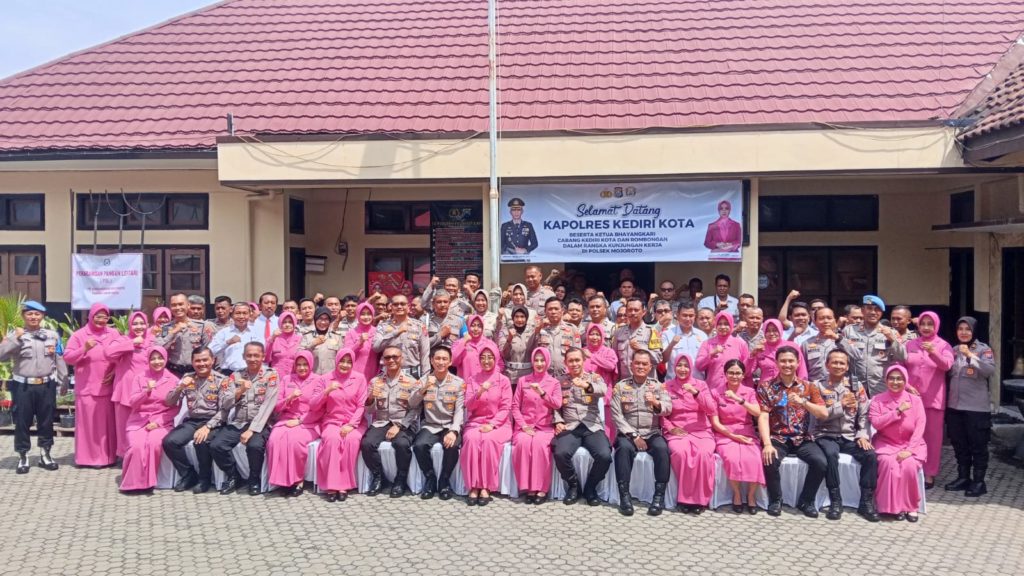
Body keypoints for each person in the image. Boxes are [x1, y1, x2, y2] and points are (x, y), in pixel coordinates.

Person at [756, 346, 829, 518]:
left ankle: (807, 501)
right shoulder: (766, 387)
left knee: (820, 462)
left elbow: (823, 413)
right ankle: (776, 500)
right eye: (783, 361)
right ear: (776, 363)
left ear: (798, 363)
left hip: (802, 438)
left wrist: (803, 402)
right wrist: (767, 444)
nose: (787, 364)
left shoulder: (809, 386)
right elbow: (763, 416)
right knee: (770, 460)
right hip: (777, 437)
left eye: (791, 361)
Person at [810, 349, 880, 522]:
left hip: (849, 435)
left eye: (842, 363)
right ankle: (835, 501)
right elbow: (820, 415)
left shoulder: (856, 386)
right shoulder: (817, 386)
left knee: (870, 456)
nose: (838, 366)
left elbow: (864, 414)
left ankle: (866, 502)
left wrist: (862, 435)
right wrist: (840, 405)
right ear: (827, 365)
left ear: (847, 366)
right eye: (834, 362)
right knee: (831, 455)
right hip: (825, 434)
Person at [0, 300, 67, 473]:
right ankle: (23, 456)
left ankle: (45, 454)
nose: (33, 317)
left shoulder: (52, 335)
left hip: (46, 386)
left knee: (46, 421)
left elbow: (59, 358)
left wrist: (64, 381)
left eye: (37, 314)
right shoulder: (15, 335)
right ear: (23, 316)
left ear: (43, 316)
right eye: (29, 313)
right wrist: (16, 338)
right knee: (22, 421)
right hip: (23, 387)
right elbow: (1, 355)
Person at [211, 342, 279, 496]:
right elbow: (225, 403)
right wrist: (240, 390)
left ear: (263, 356)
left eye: (256, 355)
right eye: (249, 355)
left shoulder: (271, 375)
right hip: (239, 421)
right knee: (217, 445)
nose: (252, 359)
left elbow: (268, 404)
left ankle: (253, 479)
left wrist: (252, 430)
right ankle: (234, 476)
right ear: (243, 356)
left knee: (254, 446)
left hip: (261, 423)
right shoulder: (235, 376)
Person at [610, 350, 671, 516]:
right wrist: (634, 436)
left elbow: (668, 408)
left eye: (644, 364)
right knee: (623, 449)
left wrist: (656, 402)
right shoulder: (621, 386)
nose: (640, 366)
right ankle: (624, 496)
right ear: (631, 365)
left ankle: (659, 497)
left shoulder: (658, 386)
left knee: (662, 449)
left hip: (651, 432)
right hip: (628, 434)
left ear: (650, 367)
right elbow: (616, 415)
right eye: (637, 363)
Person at [161, 347, 230, 493]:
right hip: (193, 421)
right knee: (170, 442)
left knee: (201, 441)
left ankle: (204, 479)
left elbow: (225, 410)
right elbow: (169, 402)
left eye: (205, 360)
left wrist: (208, 427)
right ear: (192, 362)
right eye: (197, 361)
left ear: (213, 360)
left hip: (214, 422)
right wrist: (180, 387)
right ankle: (188, 475)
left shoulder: (221, 380)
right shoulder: (188, 377)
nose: (202, 364)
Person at [552, 348, 612, 506]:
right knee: (560, 453)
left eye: (577, 360)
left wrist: (586, 385)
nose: (574, 364)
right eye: (570, 361)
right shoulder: (559, 381)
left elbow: (603, 390)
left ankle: (590, 487)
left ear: (584, 361)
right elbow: (555, 405)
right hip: (570, 426)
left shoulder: (594, 377)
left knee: (605, 455)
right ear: (565, 363)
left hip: (591, 425)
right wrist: (558, 421)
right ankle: (574, 486)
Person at [63, 303, 120, 467]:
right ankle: (86, 459)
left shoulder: (113, 333)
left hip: (107, 387)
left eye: (105, 317)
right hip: (87, 388)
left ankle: (108, 458)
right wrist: (84, 349)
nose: (102, 320)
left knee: (106, 426)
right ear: (91, 316)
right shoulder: (79, 335)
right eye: (98, 316)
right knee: (88, 425)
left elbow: (123, 355)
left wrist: (115, 371)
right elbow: (68, 357)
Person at [361, 346, 421, 497]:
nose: (391, 360)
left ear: (402, 359)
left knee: (401, 444)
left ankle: (400, 480)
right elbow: (369, 411)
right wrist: (370, 398)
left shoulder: (412, 382)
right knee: (367, 444)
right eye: (387, 357)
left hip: (404, 422)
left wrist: (399, 426)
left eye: (395, 357)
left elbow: (415, 410)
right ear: (383, 360)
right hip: (381, 421)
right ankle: (378, 477)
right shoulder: (375, 381)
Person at [945, 316, 995, 497]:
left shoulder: (983, 349)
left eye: (967, 329)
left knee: (978, 446)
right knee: (960, 445)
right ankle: (963, 477)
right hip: (955, 407)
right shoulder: (953, 350)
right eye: (960, 329)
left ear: (974, 331)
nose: (964, 332)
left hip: (976, 409)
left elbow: (989, 370)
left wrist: (970, 356)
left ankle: (979, 482)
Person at [904, 311, 954, 488]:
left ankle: (929, 474)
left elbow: (947, 365)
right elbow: (900, 367)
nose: (925, 327)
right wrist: (906, 385)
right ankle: (910, 470)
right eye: (923, 324)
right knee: (910, 436)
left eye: (930, 324)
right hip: (910, 399)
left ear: (936, 326)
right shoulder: (910, 344)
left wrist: (934, 352)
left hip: (934, 400)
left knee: (932, 439)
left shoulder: (943, 345)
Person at [869, 365, 926, 522]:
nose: (895, 382)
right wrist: (897, 412)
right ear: (886, 380)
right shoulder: (877, 400)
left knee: (908, 465)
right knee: (888, 464)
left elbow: (920, 426)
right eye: (892, 378)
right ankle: (889, 507)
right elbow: (876, 423)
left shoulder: (915, 401)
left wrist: (910, 450)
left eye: (899, 379)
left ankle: (910, 507)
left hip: (911, 444)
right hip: (886, 443)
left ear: (905, 381)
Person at [662, 355, 717, 514]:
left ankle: (700, 499)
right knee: (681, 453)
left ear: (691, 368)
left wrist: (696, 393)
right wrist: (670, 428)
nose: (682, 369)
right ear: (674, 367)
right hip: (677, 431)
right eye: (679, 365)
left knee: (703, 454)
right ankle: (685, 499)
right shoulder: (666, 386)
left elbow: (711, 409)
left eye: (686, 366)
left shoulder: (701, 385)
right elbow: (661, 413)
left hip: (701, 431)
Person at [119, 347, 179, 492]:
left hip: (162, 421)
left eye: (160, 358)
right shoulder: (140, 378)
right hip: (138, 420)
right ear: (148, 360)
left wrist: (158, 423)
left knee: (154, 443)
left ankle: (149, 482)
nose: (157, 362)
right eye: (153, 359)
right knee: (136, 446)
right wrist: (146, 391)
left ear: (166, 359)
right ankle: (132, 483)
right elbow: (133, 403)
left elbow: (175, 408)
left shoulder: (174, 380)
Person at [312, 348, 368, 502]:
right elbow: (314, 405)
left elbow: (361, 405)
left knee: (352, 440)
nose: (345, 364)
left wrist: (351, 425)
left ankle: (344, 485)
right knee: (332, 440)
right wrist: (326, 391)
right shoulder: (325, 379)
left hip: (355, 422)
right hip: (332, 421)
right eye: (342, 361)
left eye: (349, 362)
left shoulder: (359, 378)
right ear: (336, 361)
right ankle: (331, 485)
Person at [411, 346, 465, 500]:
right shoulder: (423, 380)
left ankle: (444, 481)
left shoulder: (458, 383)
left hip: (449, 425)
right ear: (431, 361)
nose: (441, 362)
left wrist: (454, 431)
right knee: (419, 445)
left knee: (452, 446)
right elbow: (412, 403)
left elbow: (459, 410)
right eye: (438, 359)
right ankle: (430, 479)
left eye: (444, 359)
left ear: (450, 362)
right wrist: (425, 388)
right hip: (430, 425)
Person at [462, 343, 512, 506]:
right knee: (471, 440)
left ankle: (486, 486)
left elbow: (506, 407)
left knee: (489, 440)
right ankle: (473, 485)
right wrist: (479, 392)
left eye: (490, 357)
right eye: (483, 358)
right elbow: (469, 406)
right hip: (476, 422)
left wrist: (492, 424)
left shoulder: (503, 380)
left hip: (499, 424)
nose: (486, 361)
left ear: (496, 359)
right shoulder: (473, 379)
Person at [265, 350, 320, 496]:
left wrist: (300, 421)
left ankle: (297, 480)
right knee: (274, 440)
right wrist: (289, 398)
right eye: (298, 365)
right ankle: (281, 481)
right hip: (286, 420)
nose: (302, 368)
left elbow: (320, 408)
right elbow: (277, 406)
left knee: (295, 442)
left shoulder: (318, 380)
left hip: (309, 422)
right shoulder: (286, 379)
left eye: (305, 364)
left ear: (311, 365)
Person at [710, 359, 763, 514]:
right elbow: (715, 422)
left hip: (746, 432)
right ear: (725, 374)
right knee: (732, 458)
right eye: (731, 373)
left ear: (743, 375)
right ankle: (737, 494)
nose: (734, 376)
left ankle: (751, 496)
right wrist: (733, 436)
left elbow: (757, 412)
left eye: (738, 373)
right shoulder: (715, 392)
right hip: (725, 433)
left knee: (755, 458)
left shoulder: (749, 392)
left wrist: (738, 399)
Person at [511, 347, 562, 504]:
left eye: (542, 360)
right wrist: (523, 425)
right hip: (525, 426)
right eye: (536, 360)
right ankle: (528, 488)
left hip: (544, 427)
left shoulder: (554, 383)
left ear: (547, 362)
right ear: (532, 362)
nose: (539, 363)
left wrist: (543, 393)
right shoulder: (523, 381)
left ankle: (541, 488)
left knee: (540, 446)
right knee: (523, 443)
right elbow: (515, 406)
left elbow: (557, 404)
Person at [105, 310, 154, 459]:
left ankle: (143, 454)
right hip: (125, 390)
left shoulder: (152, 341)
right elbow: (108, 353)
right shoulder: (123, 340)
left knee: (144, 424)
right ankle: (125, 456)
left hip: (146, 389)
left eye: (142, 323)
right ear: (130, 325)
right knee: (124, 425)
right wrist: (131, 343)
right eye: (135, 323)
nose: (139, 326)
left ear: (147, 324)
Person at [840, 295, 905, 397]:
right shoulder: (849, 330)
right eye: (869, 308)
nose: (873, 312)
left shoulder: (891, 332)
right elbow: (840, 355)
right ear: (863, 310)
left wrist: (892, 339)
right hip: (855, 386)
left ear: (881, 312)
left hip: (880, 386)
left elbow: (903, 357)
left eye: (877, 309)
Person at [156, 293, 216, 377]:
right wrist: (174, 332)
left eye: (180, 304)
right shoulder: (165, 328)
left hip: (195, 371)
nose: (177, 308)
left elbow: (210, 350)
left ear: (188, 305)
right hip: (173, 371)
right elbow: (159, 348)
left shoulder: (202, 326)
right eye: (174, 305)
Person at [372, 294, 430, 379]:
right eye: (396, 304)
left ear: (408, 306)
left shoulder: (419, 326)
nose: (399, 307)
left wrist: (426, 377)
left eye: (402, 304)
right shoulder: (383, 325)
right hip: (389, 373)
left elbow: (425, 353)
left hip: (412, 373)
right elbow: (376, 347)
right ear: (391, 307)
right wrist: (395, 333)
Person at [695, 311, 749, 393]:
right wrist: (711, 354)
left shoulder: (740, 344)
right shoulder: (707, 343)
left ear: (731, 325)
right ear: (715, 325)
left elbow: (747, 370)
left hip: (734, 390)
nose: (723, 327)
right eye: (719, 324)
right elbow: (699, 366)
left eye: (726, 324)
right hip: (713, 389)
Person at [582, 323, 618, 444]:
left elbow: (611, 366)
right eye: (591, 334)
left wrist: (592, 357)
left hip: (604, 397)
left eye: (598, 334)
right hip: (585, 397)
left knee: (606, 430)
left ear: (602, 336)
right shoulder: (582, 352)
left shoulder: (609, 352)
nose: (594, 337)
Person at [746, 319, 808, 388]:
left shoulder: (792, 346)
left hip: (790, 387)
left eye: (775, 330)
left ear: (780, 330)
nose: (771, 333)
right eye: (768, 331)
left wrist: (802, 387)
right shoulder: (760, 348)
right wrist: (753, 355)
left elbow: (802, 370)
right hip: (766, 389)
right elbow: (747, 373)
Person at [611, 297, 662, 380]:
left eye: (636, 310)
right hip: (624, 382)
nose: (633, 313)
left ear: (643, 312)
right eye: (630, 310)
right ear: (626, 312)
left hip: (646, 383)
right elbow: (614, 358)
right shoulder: (618, 332)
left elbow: (658, 359)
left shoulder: (652, 331)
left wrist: (641, 348)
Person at [210, 302, 265, 375]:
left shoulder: (257, 332)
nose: (241, 316)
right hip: (229, 373)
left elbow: (262, 352)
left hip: (252, 373)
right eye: (238, 313)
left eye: (245, 313)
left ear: (249, 315)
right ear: (232, 315)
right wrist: (227, 343)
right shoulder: (224, 333)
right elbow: (210, 351)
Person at [534, 297, 582, 379]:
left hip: (567, 376)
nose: (553, 312)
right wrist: (538, 329)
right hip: (546, 377)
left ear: (562, 310)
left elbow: (578, 354)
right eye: (550, 309)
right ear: (545, 311)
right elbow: (533, 351)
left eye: (556, 309)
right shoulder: (540, 330)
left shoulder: (572, 329)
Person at [453, 315, 505, 381]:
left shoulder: (490, 344)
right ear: (468, 326)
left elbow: (500, 364)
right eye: (473, 325)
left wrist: (491, 378)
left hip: (486, 385)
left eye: (479, 326)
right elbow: (453, 362)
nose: (476, 329)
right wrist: (463, 342)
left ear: (483, 328)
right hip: (466, 385)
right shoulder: (460, 343)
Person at [801, 307, 842, 384]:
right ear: (815, 322)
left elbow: (857, 357)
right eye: (821, 318)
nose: (826, 321)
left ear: (834, 320)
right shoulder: (806, 344)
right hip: (815, 386)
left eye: (829, 318)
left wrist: (837, 338)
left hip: (839, 386)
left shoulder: (843, 340)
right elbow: (803, 369)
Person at [498, 305, 534, 388]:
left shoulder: (532, 332)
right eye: (516, 317)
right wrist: (509, 339)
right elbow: (503, 354)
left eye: (522, 317)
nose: (519, 320)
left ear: (526, 318)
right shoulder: (505, 332)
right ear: (512, 318)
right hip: (511, 376)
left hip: (528, 375)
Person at [302, 307, 343, 375]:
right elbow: (299, 355)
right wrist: (313, 344)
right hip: (312, 376)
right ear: (315, 319)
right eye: (320, 318)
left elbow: (342, 358)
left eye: (326, 319)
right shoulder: (307, 336)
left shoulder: (337, 337)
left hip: (331, 377)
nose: (323, 322)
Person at [343, 302, 379, 377]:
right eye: (362, 314)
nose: (366, 317)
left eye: (369, 314)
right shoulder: (351, 333)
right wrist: (359, 343)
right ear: (357, 315)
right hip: (356, 373)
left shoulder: (378, 331)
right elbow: (346, 354)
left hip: (374, 373)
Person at [266, 311, 303, 376]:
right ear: (280, 323)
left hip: (294, 376)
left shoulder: (300, 339)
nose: (287, 325)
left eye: (290, 322)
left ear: (294, 323)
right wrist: (272, 338)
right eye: (284, 322)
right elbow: (266, 358)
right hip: (276, 376)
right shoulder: (274, 339)